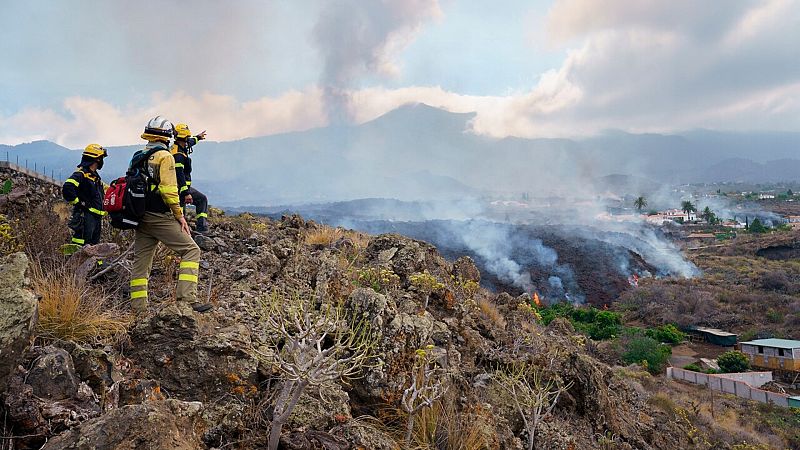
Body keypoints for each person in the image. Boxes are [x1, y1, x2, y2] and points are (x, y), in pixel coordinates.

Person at [129, 116, 213, 314]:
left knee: (141, 263)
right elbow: (168, 191)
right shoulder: (165, 157)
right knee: (191, 250)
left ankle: (138, 310)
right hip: (159, 216)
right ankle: (187, 300)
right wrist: (180, 216)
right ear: (167, 136)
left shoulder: (139, 156)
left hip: (140, 216)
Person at [62, 144, 107, 246]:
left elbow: (104, 189)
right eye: (101, 158)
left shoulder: (94, 177)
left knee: (93, 245)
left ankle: (91, 258)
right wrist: (79, 203)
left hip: (95, 217)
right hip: (85, 216)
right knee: (82, 243)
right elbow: (68, 187)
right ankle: (75, 256)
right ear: (97, 159)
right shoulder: (81, 174)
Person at [171, 123, 209, 232]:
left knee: (202, 199)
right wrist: (186, 193)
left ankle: (201, 229)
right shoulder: (178, 155)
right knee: (180, 212)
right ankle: (181, 234)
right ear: (184, 137)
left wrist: (198, 137)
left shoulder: (181, 146)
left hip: (183, 188)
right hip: (178, 189)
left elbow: (191, 142)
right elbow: (179, 175)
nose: (189, 139)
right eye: (188, 137)